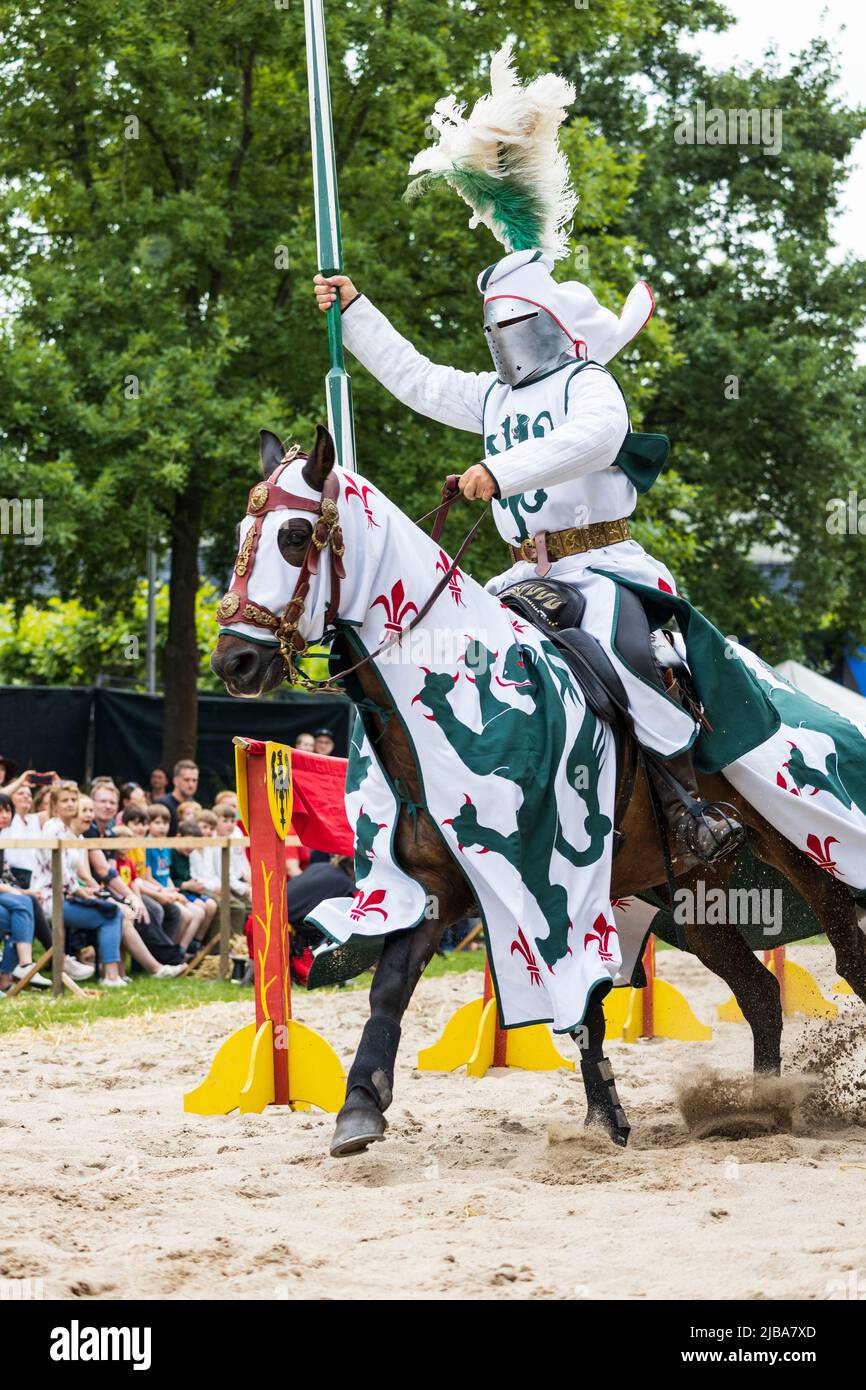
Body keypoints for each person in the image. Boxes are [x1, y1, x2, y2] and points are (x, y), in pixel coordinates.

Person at [312, 42, 743, 867]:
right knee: (435, 654)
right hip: (517, 575)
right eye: (493, 329)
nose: (500, 342)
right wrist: (356, 309)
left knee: (616, 655)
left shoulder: (591, 385)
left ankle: (687, 803)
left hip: (602, 569)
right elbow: (414, 378)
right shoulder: (492, 396)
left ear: (548, 322)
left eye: (511, 325)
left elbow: (594, 442)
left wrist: (498, 471)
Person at [32, 784, 128, 987]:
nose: (70, 804)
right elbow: (58, 869)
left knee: (112, 910)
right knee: (111, 913)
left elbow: (72, 874)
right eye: (65, 800)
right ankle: (110, 975)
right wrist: (83, 893)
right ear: (55, 806)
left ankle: (111, 973)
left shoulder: (67, 831)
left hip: (65, 896)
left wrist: (86, 891)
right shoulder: (53, 827)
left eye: (73, 800)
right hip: (49, 899)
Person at [155, 759, 199, 835]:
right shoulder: (163, 804)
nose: (191, 785)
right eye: (187, 780)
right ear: (175, 781)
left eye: (194, 780)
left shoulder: (194, 804)